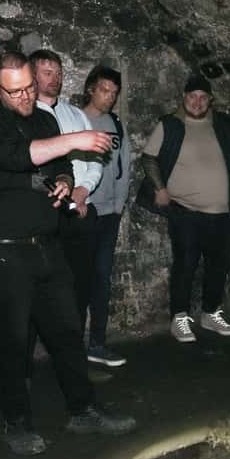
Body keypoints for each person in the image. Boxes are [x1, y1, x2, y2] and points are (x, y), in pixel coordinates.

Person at [0, 51, 136, 456]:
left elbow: (59, 164)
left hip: (46, 244)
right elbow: (16, 157)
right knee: (14, 339)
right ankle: (17, 423)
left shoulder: (43, 119)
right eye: (16, 91)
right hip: (3, 252)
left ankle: (83, 410)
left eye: (29, 87)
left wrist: (63, 181)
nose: (26, 96)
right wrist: (76, 138)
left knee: (66, 331)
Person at [140, 74, 230, 342]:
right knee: (186, 264)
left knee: (218, 266)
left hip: (220, 211)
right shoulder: (170, 125)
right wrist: (160, 188)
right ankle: (180, 317)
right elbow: (149, 158)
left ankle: (210, 313)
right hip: (186, 210)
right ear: (183, 98)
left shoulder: (221, 125)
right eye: (192, 96)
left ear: (210, 101)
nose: (197, 102)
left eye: (203, 97)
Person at [32, 50, 103, 330]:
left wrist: (83, 190)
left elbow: (96, 160)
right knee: (45, 288)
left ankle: (75, 346)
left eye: (58, 73)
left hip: (79, 211)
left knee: (81, 284)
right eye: (47, 73)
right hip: (46, 216)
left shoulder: (75, 115)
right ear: (33, 75)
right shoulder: (28, 118)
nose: (55, 79)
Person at [81, 64, 132, 368]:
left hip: (109, 213)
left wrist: (119, 204)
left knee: (102, 278)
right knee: (78, 279)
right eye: (104, 90)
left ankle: (97, 343)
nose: (110, 97)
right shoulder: (76, 119)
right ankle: (72, 344)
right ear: (91, 89)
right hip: (84, 211)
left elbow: (125, 165)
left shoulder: (116, 123)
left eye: (114, 93)